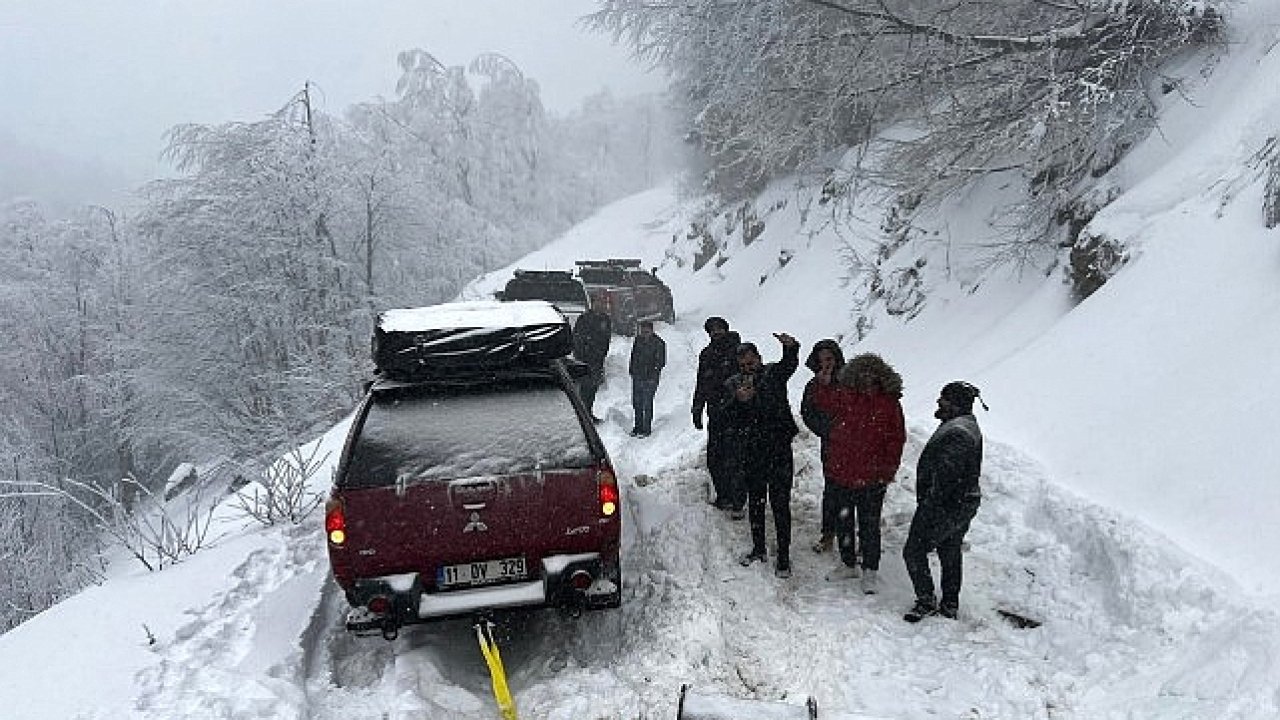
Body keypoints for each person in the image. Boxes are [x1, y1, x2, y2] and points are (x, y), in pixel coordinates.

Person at [811, 353, 906, 594]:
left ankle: (870, 570)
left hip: (873, 477)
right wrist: (821, 384)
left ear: (880, 377)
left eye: (871, 375)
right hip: (843, 472)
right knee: (843, 520)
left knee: (869, 525)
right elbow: (824, 403)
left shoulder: (889, 402)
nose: (866, 379)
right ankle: (848, 563)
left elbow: (896, 439)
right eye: (861, 374)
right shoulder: (846, 395)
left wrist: (887, 470)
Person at [902, 381, 986, 623]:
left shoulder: (958, 432)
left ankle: (926, 600)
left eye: (944, 399)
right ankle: (949, 604)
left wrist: (930, 506)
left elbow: (947, 478)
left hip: (945, 505)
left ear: (956, 403)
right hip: (962, 503)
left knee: (914, 551)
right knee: (949, 550)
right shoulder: (965, 425)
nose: (939, 402)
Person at [719, 333, 801, 578]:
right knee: (756, 503)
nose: (748, 367)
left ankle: (784, 557)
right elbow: (725, 418)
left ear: (759, 359)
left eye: (751, 362)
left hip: (778, 450)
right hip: (752, 452)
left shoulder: (773, 374)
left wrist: (791, 348)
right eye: (743, 365)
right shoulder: (733, 385)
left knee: (780, 503)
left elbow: (789, 366)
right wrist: (739, 401)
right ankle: (758, 548)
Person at [799, 339, 846, 554]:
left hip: (854, 444)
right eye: (821, 360)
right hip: (830, 444)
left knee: (854, 492)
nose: (826, 364)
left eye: (829, 358)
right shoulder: (814, 385)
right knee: (832, 489)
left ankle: (852, 538)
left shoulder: (849, 381)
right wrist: (827, 430)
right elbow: (808, 413)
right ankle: (828, 534)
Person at [691, 316, 742, 511]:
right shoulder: (707, 354)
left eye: (719, 328)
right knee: (715, 457)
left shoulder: (739, 351)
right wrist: (697, 408)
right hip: (716, 412)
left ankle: (737, 500)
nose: (716, 332)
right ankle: (723, 495)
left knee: (736, 457)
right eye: (712, 330)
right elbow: (701, 383)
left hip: (738, 412)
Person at [572, 305, 612, 422]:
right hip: (585, 359)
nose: (600, 305)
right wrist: (581, 354)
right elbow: (577, 337)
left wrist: (602, 353)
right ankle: (582, 415)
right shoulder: (584, 319)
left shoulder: (605, 319)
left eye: (601, 302)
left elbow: (606, 338)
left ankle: (588, 412)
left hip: (598, 359)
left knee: (593, 388)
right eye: (598, 302)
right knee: (584, 388)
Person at [628, 320, 666, 437]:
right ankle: (638, 426)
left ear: (651, 330)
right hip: (638, 376)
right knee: (636, 402)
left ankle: (646, 428)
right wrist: (632, 370)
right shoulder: (638, 341)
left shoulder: (659, 343)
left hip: (650, 378)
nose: (644, 333)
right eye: (642, 331)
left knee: (647, 402)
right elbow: (633, 356)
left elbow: (660, 362)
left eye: (646, 331)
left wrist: (652, 373)